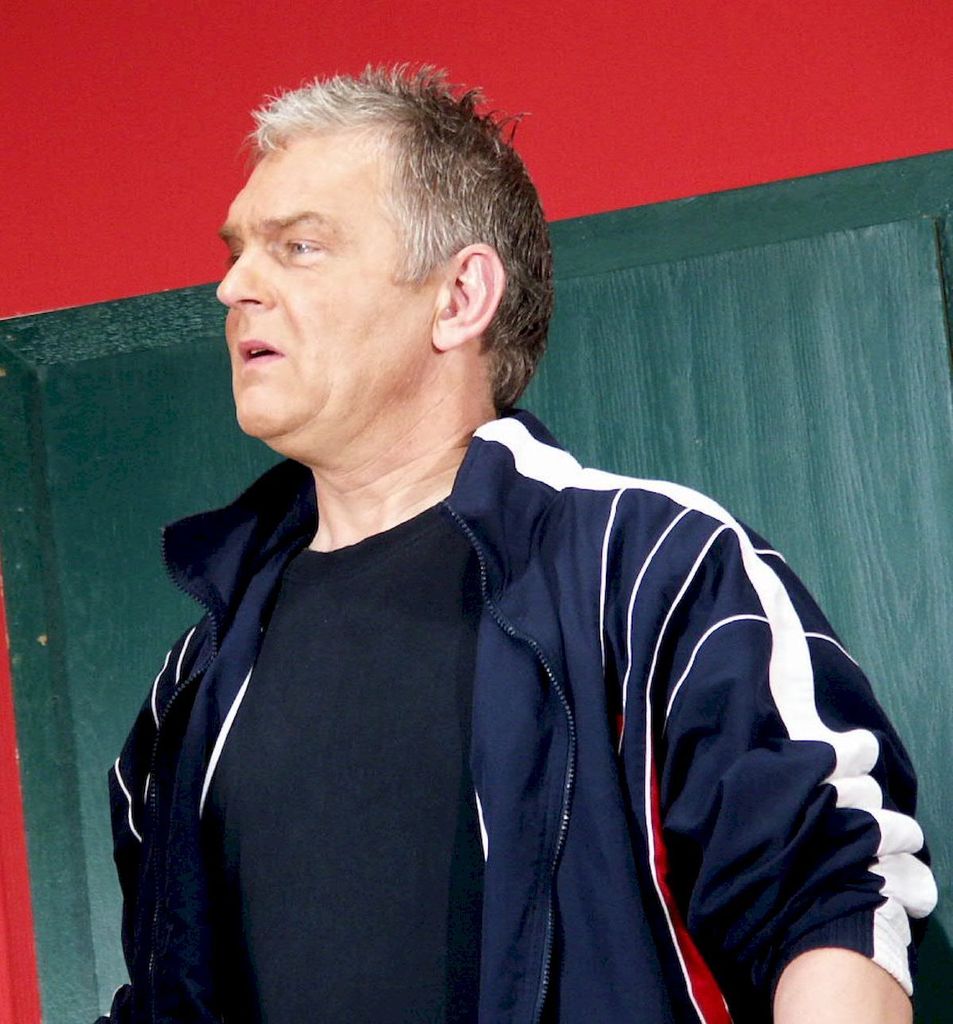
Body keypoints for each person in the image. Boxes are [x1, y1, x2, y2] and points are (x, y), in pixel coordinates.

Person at [100, 66, 936, 1024]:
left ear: (459, 296)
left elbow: (829, 899)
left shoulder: (651, 566)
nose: (234, 286)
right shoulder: (195, 679)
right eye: (239, 251)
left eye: (299, 247)